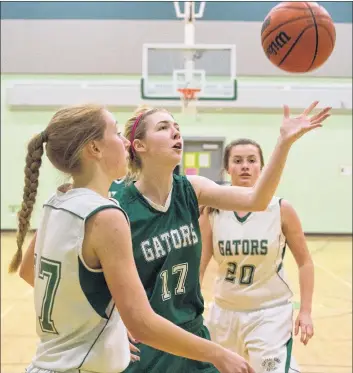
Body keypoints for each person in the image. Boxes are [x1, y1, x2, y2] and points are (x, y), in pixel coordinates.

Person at [12, 103, 259, 373]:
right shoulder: (105, 213)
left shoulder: (56, 201)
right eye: (117, 134)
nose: (124, 143)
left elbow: (28, 271)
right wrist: (218, 353)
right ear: (95, 149)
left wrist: (104, 321)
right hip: (82, 365)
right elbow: (142, 323)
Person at [107, 101, 330, 373]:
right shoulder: (118, 205)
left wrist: (283, 143)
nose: (176, 132)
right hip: (147, 337)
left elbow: (258, 199)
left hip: (192, 332)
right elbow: (95, 276)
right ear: (139, 146)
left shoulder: (192, 189)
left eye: (176, 126)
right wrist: (110, 323)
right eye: (163, 127)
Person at [199, 138, 315, 373]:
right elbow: (199, 265)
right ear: (227, 168)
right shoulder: (213, 211)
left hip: (269, 312)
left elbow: (305, 262)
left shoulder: (281, 208)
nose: (245, 166)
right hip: (224, 313)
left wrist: (305, 311)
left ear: (261, 167)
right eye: (238, 160)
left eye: (252, 160)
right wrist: (191, 309)